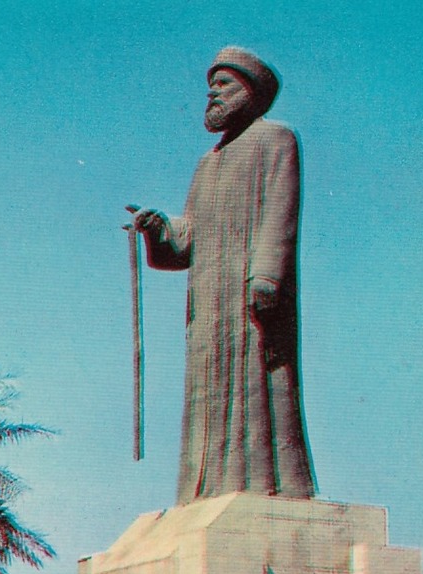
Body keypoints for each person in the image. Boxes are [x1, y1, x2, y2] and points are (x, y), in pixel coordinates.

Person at [132, 46, 317, 503]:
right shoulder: (207, 163)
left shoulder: (276, 140)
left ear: (251, 93)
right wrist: (160, 230)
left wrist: (266, 277)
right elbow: (186, 242)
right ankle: (207, 490)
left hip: (251, 296)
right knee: (207, 398)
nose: (212, 94)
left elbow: (281, 212)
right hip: (209, 304)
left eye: (225, 85)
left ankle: (270, 487)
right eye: (210, 86)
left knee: (258, 387)